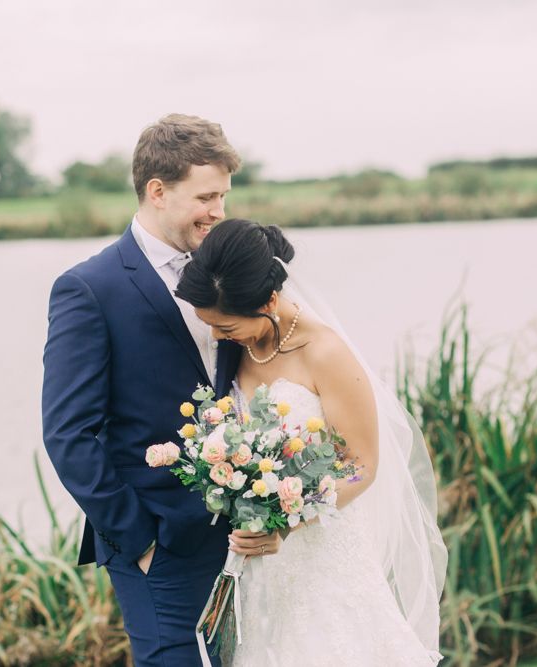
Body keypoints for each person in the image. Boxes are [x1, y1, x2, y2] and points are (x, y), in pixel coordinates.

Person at [42, 115, 281, 666]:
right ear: (157, 191)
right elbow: (69, 434)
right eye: (206, 196)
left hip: (241, 535)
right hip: (160, 545)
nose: (219, 210)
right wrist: (139, 539)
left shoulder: (229, 270)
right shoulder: (89, 288)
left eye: (223, 195)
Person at [175, 218, 447, 666]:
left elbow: (361, 465)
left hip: (326, 556)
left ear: (269, 300)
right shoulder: (239, 349)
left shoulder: (326, 353)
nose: (217, 337)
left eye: (226, 327)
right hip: (265, 571)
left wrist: (287, 519)